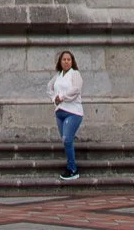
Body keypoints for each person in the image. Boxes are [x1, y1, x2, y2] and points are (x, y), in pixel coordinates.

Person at [49, 50, 83, 183]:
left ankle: (73, 169)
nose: (66, 61)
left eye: (69, 59)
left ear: (72, 61)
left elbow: (76, 90)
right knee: (65, 141)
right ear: (60, 62)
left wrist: (62, 97)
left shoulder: (75, 74)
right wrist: (54, 98)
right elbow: (49, 88)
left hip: (73, 112)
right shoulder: (58, 75)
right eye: (64, 59)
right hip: (60, 112)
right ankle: (70, 165)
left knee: (67, 139)